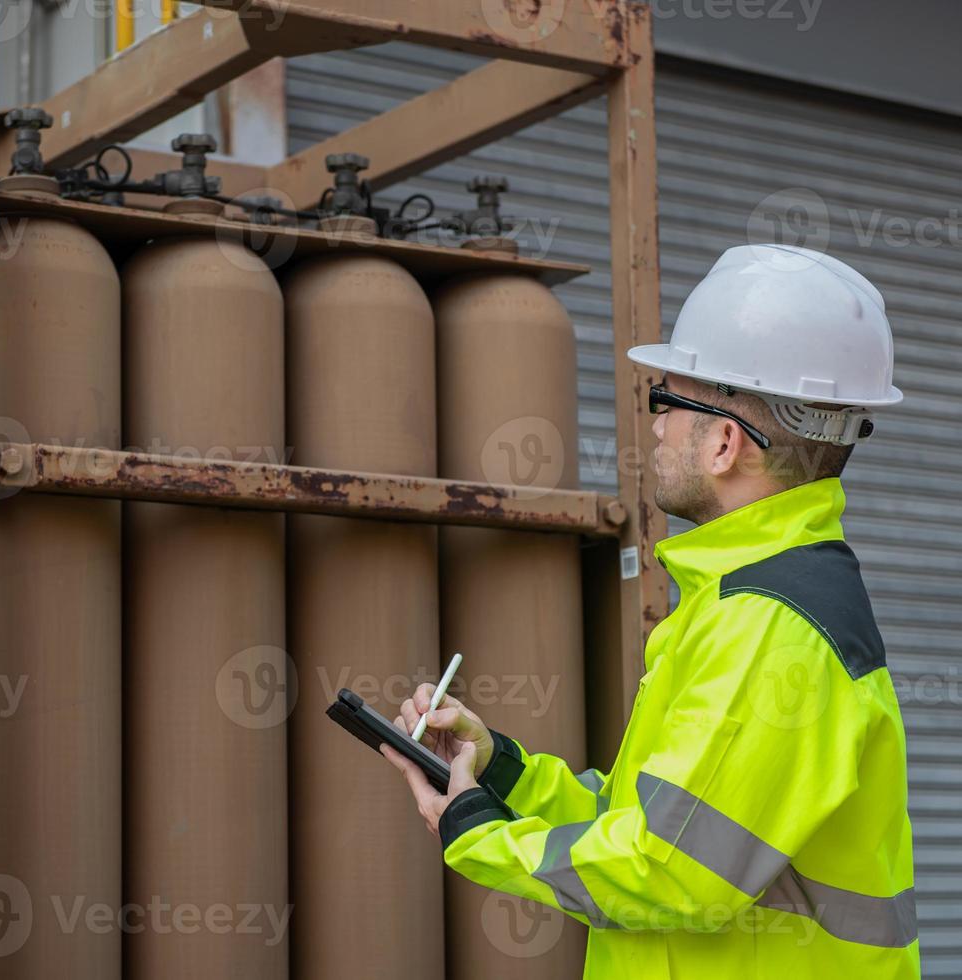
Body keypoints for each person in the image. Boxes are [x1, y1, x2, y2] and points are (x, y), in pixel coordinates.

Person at [383, 243, 920, 978]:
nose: (656, 428)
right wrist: (502, 772)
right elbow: (658, 826)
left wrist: (473, 828)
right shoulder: (745, 603)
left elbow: (669, 870)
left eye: (662, 401)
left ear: (725, 443)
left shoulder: (768, 626)